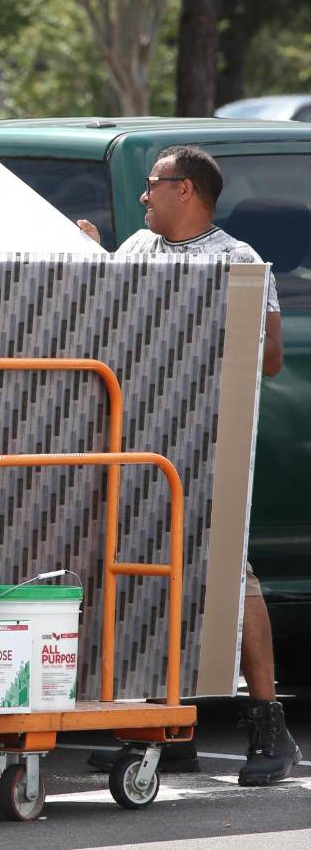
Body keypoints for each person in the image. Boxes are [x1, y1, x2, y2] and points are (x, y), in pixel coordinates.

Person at [77, 145, 300, 786]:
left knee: (231, 573)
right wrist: (93, 257)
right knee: (149, 570)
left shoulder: (239, 262)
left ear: (188, 190)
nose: (143, 196)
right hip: (143, 441)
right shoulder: (138, 255)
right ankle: (165, 731)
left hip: (211, 439)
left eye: (153, 184)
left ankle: (269, 724)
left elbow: (270, 361)